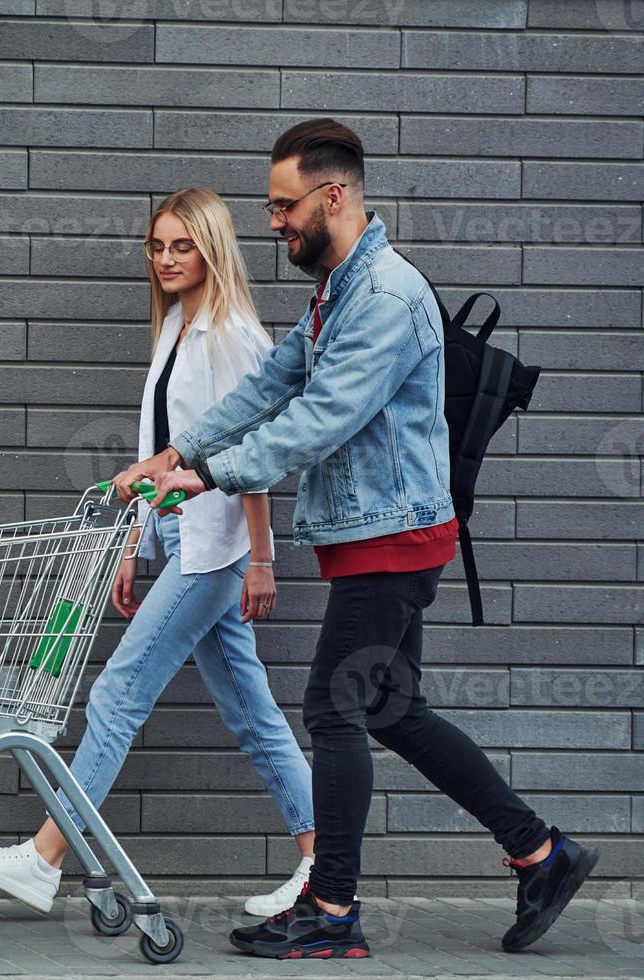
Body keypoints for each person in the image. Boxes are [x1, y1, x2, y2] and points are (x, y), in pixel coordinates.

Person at [129, 118, 600, 959]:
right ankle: (542, 853)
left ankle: (333, 911)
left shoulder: (383, 297)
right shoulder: (341, 286)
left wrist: (209, 476)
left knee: (334, 708)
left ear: (332, 195)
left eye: (283, 206)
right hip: (377, 535)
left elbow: (319, 419)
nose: (273, 222)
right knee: (390, 707)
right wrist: (180, 448)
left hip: (394, 540)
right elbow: (275, 382)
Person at [0, 187, 316, 918]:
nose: (168, 259)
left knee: (119, 692)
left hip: (213, 551)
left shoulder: (230, 334)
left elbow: (250, 454)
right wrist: (132, 546)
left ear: (212, 249)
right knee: (251, 711)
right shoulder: (180, 324)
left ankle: (47, 855)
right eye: (158, 246)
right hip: (184, 538)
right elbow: (163, 455)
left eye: (183, 245)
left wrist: (263, 558)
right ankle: (327, 863)